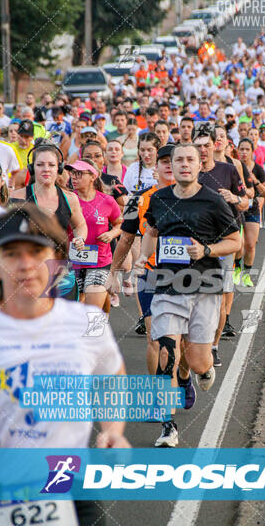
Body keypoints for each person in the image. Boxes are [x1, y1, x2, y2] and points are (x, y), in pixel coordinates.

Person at [0, 204, 130, 525]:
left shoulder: (86, 320)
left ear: (57, 257)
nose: (26, 264)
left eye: (36, 251)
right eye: (12, 253)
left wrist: (113, 430)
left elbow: (113, 375)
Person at [134, 143, 241, 447]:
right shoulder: (159, 199)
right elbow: (152, 232)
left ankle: (199, 372)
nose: (183, 164)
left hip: (205, 287)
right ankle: (169, 427)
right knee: (166, 351)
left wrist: (206, 250)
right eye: (177, 160)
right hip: (167, 285)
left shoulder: (212, 201)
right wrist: (144, 257)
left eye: (189, 160)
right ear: (169, 165)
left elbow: (234, 240)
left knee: (196, 359)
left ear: (199, 165)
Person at [109, 145, 177, 376]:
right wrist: (113, 273)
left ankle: (185, 377)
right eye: (164, 161)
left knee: (181, 343)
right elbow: (127, 238)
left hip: (187, 276)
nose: (168, 165)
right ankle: (158, 395)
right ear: (155, 167)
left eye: (173, 160)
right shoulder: (137, 200)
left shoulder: (196, 198)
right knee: (155, 337)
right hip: (151, 274)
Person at [193, 123, 248, 367]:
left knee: (220, 301)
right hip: (193, 243)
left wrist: (235, 198)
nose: (203, 150)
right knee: (193, 297)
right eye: (198, 146)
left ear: (215, 145)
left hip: (225, 242)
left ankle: (213, 346)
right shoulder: (187, 171)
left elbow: (246, 201)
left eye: (206, 145)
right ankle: (195, 344)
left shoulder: (229, 169)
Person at [10, 142, 88, 301]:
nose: (46, 169)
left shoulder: (70, 198)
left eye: (51, 165)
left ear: (58, 168)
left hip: (61, 272)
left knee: (64, 323)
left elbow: (80, 225)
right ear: (32, 168)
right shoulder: (18, 197)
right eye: (40, 164)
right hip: (28, 272)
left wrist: (80, 238)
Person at [66, 159, 122, 309]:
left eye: (79, 173)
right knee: (76, 308)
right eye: (72, 173)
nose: (74, 177)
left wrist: (111, 234)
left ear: (93, 176)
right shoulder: (68, 199)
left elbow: (120, 224)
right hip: (72, 262)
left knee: (92, 310)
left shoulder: (107, 201)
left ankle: (101, 321)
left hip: (99, 261)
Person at [238, 138, 265, 281]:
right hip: (237, 209)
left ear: (252, 152)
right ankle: (237, 269)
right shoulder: (233, 167)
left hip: (252, 209)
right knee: (239, 244)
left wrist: (255, 180)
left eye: (247, 149)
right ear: (237, 151)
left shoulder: (257, 169)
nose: (244, 152)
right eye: (242, 149)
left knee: (250, 245)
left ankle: (246, 275)